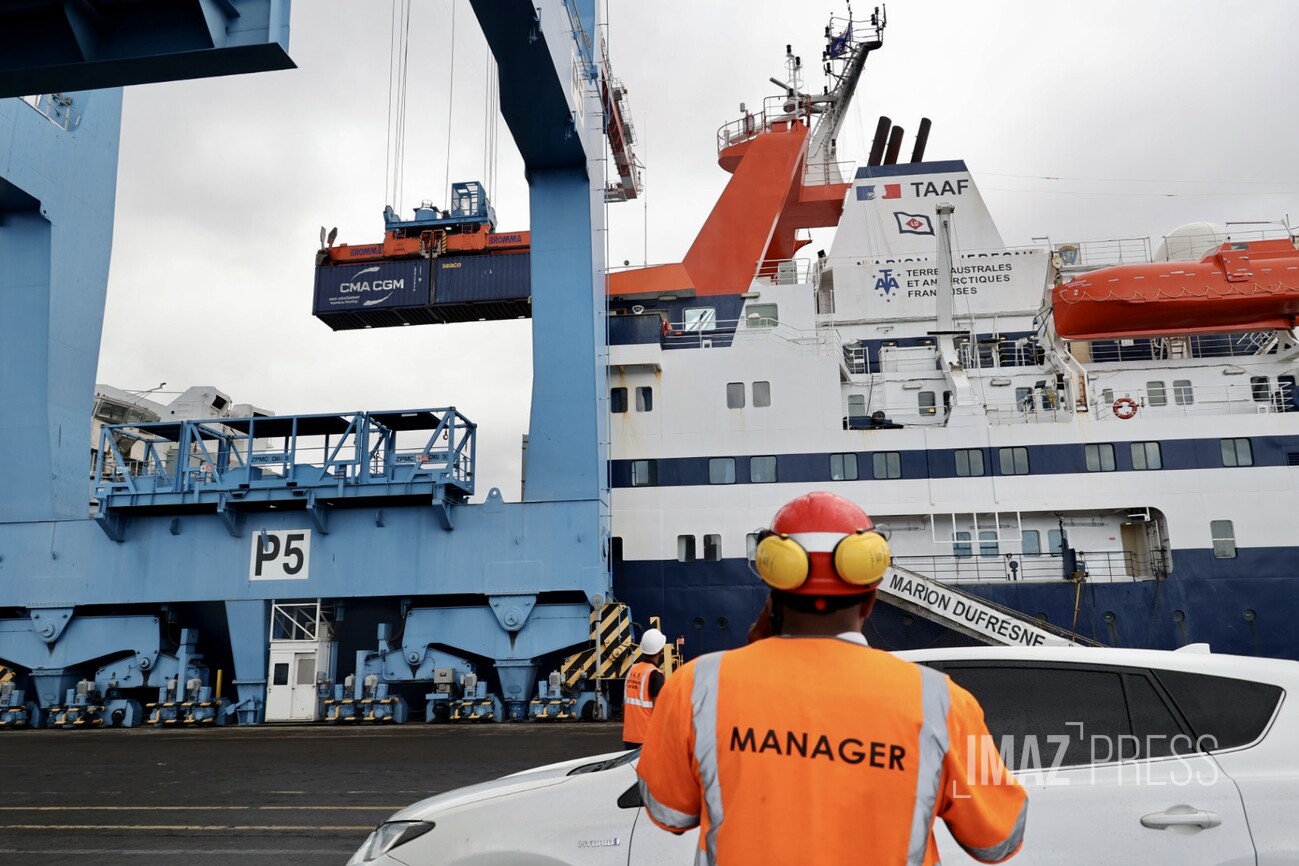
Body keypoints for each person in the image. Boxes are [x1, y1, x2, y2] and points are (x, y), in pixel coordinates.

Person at [637, 492, 1028, 865]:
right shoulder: (942, 703)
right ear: (871, 600)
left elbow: (667, 811)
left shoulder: (697, 686)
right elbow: (998, 838)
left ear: (773, 595)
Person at [622, 627, 667, 750]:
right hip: (647, 737)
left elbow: (624, 705)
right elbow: (659, 711)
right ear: (661, 650)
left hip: (629, 736)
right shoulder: (655, 674)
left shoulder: (632, 669)